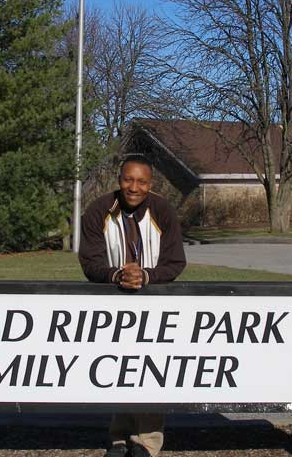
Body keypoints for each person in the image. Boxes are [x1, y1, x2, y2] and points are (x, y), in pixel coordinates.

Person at [78, 155, 186, 457]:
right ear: (119, 179)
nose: (133, 187)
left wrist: (145, 276)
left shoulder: (162, 210)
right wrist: (118, 275)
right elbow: (90, 262)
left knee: (150, 370)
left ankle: (146, 443)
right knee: (119, 368)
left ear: (150, 185)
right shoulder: (99, 210)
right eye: (128, 179)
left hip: (154, 302)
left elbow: (176, 262)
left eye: (141, 181)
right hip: (114, 300)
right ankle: (119, 437)